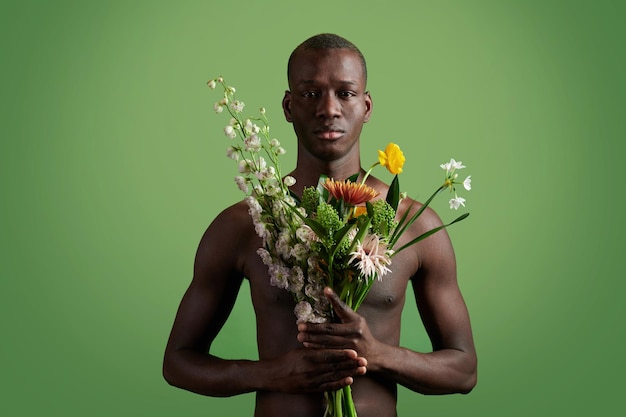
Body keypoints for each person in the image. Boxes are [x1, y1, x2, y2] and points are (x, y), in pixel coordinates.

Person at [163, 33, 477, 417]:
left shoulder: (411, 222)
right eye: (311, 94)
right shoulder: (245, 224)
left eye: (345, 93)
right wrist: (269, 374)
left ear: (366, 105)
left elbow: (463, 371)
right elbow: (178, 363)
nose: (329, 108)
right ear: (288, 106)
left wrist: (379, 355)